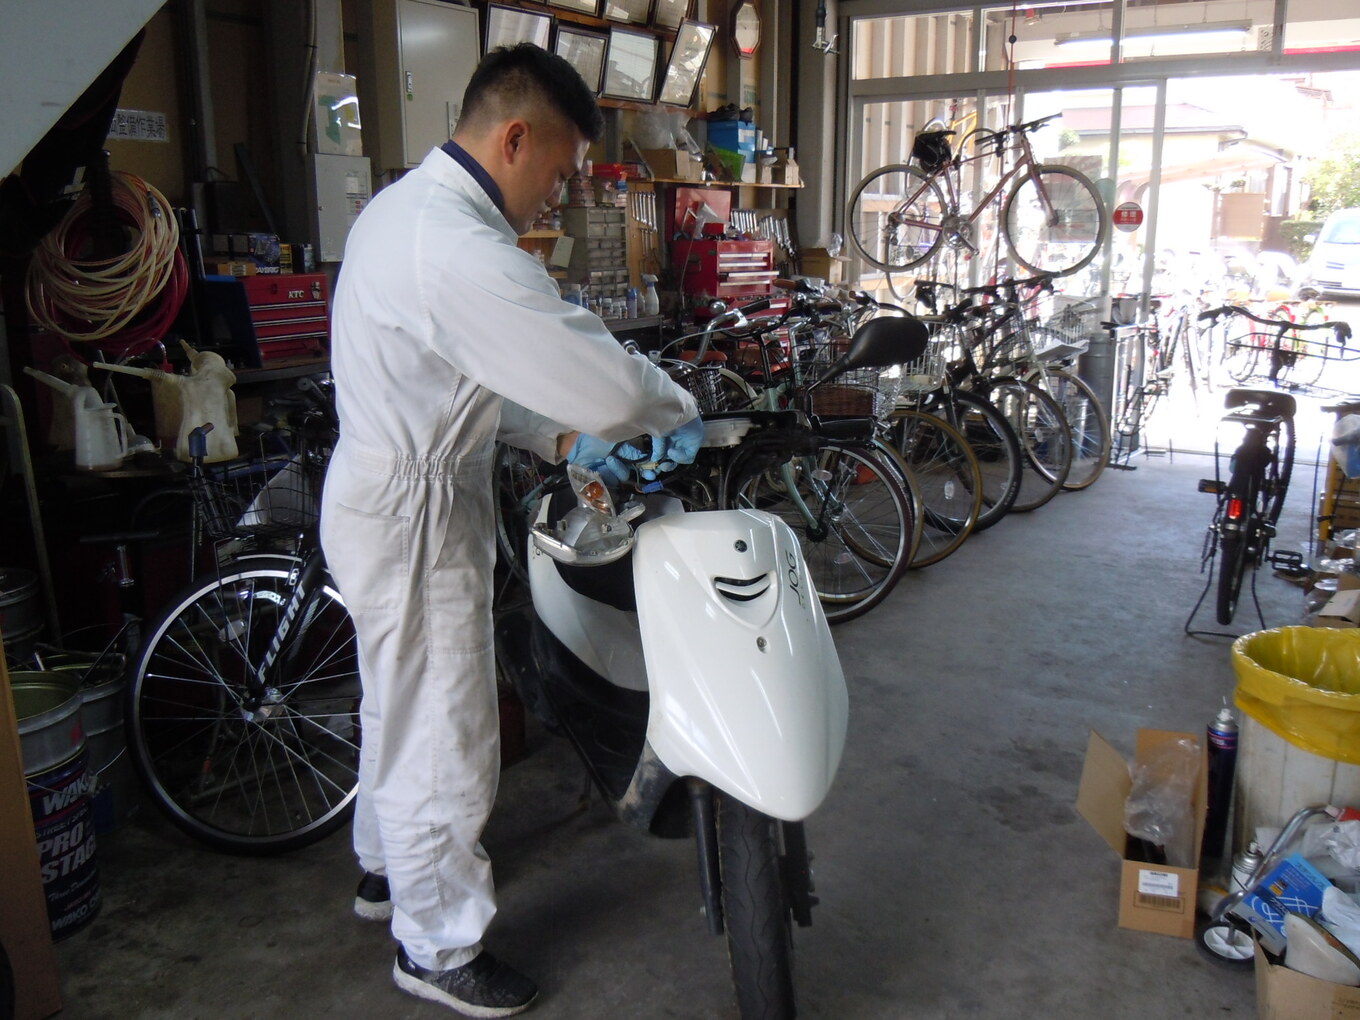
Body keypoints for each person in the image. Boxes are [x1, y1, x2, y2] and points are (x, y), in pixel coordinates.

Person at [319, 44, 703, 1018]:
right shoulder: (457, 246)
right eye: (560, 172)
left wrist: (558, 436)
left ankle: (383, 873)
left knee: (394, 707)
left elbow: (471, 376)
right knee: (442, 732)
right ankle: (437, 943)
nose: (556, 195)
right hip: (411, 514)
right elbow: (593, 369)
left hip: (391, 492)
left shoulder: (408, 212)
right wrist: (671, 413)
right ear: (514, 136)